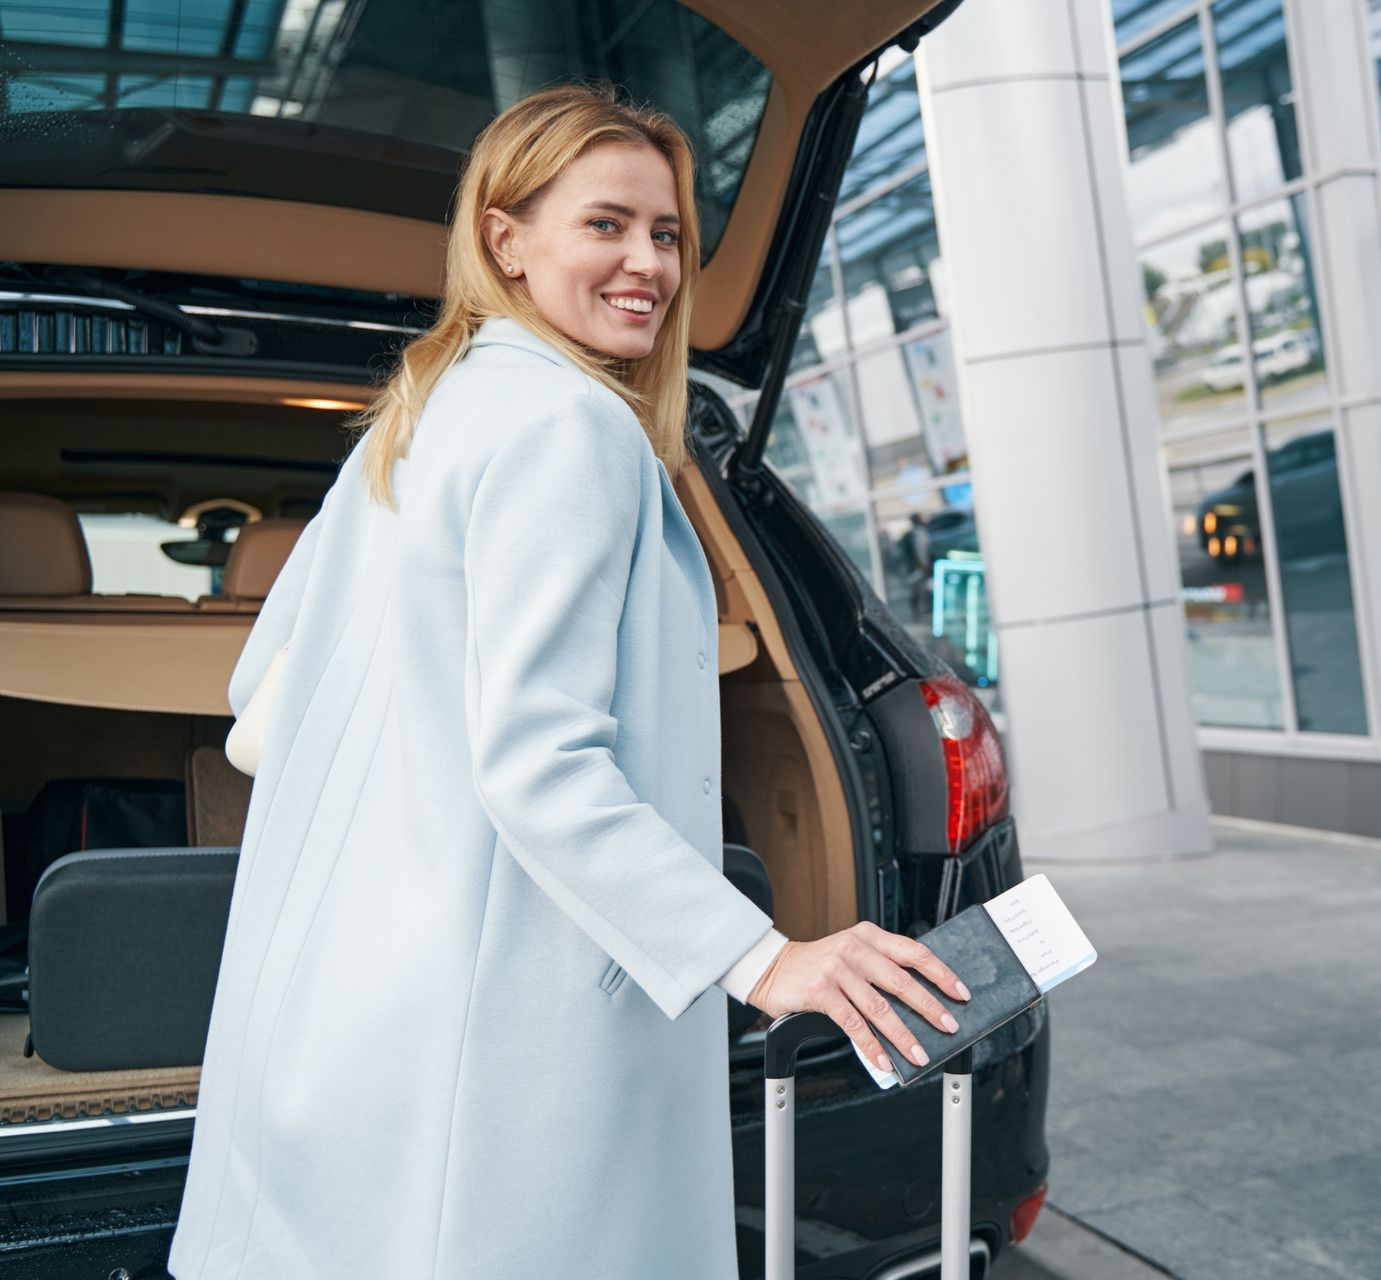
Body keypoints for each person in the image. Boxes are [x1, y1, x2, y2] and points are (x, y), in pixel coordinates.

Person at [168, 82, 971, 1279]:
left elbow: (263, 697)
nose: (649, 262)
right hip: (501, 1051)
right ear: (506, 239)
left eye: (667, 233)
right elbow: (540, 766)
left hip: (353, 1026)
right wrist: (765, 957)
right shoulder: (570, 427)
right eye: (607, 223)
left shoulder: (416, 417)